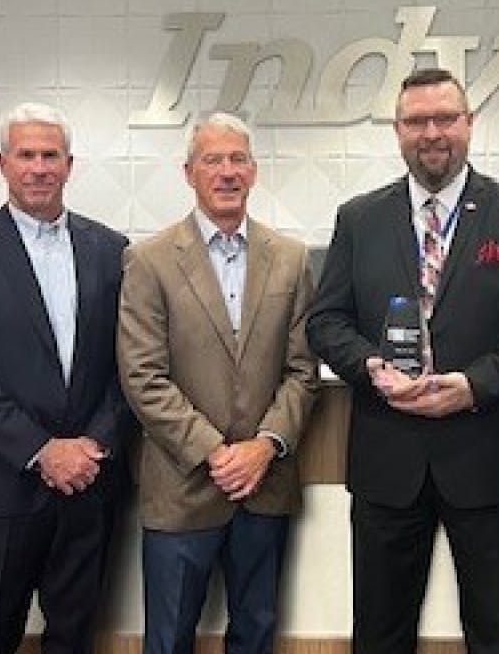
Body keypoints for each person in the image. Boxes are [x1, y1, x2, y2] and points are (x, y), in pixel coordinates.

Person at [306, 68, 499, 654]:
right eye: (416, 121)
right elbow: (325, 323)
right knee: (379, 635)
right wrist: (371, 368)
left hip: (488, 459)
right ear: (397, 131)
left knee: (498, 634)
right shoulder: (359, 218)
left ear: (469, 124)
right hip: (387, 461)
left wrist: (477, 384)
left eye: (445, 118)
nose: (432, 132)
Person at [0, 102, 131, 654]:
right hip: (0, 486)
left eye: (50, 155)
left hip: (90, 482)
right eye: (26, 155)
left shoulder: (111, 250)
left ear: (70, 164)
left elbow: (129, 362)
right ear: (2, 163)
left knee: (74, 636)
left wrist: (94, 443)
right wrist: (41, 449)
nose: (39, 167)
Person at [117, 112, 318, 654]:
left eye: (237, 160)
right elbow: (143, 375)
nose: (226, 172)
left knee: (256, 632)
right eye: (212, 160)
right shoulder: (148, 260)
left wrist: (263, 447)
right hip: (182, 488)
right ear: (189, 173)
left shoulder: (292, 259)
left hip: (264, 485)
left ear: (253, 171)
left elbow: (303, 370)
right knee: (169, 637)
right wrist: (215, 452)